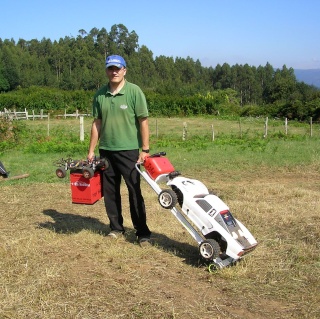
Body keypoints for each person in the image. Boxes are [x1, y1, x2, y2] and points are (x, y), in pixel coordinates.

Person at [87, 54, 152, 247]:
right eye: (110, 68)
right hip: (106, 151)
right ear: (106, 71)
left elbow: (143, 121)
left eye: (117, 68)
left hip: (129, 151)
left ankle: (142, 233)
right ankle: (116, 228)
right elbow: (96, 123)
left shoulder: (134, 92)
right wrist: (91, 151)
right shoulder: (100, 94)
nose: (114, 72)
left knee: (134, 192)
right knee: (110, 192)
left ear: (124, 70)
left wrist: (145, 149)